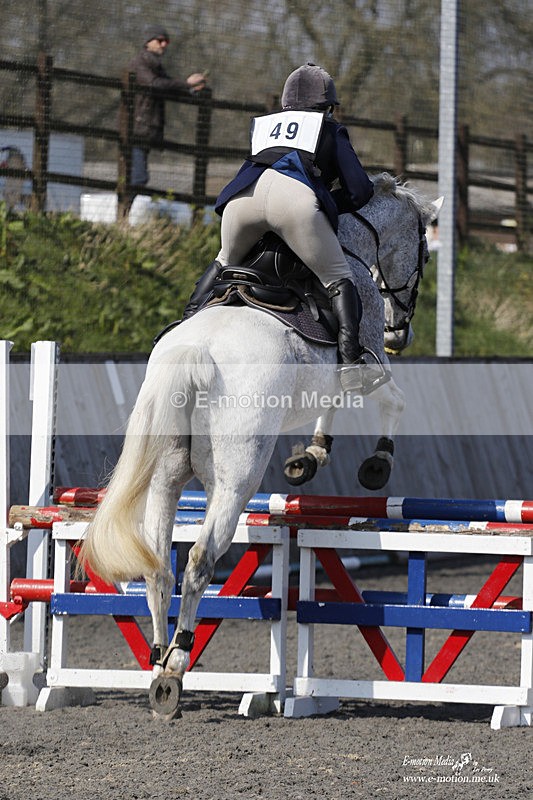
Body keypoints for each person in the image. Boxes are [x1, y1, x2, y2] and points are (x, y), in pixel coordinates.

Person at [182, 63, 377, 393]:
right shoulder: (329, 128)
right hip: (294, 203)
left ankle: (183, 324)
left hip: (243, 199)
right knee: (339, 277)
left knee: (224, 261)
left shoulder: (266, 124)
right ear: (327, 105)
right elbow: (360, 190)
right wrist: (327, 202)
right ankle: (351, 365)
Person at [121, 25, 207, 189]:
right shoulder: (140, 63)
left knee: (136, 177)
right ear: (148, 42)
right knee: (138, 178)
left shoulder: (155, 66)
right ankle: (123, 212)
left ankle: (124, 212)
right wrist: (187, 83)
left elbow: (169, 88)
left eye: (166, 41)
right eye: (159, 40)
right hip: (136, 130)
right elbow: (155, 84)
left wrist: (191, 90)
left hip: (144, 130)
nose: (164, 44)